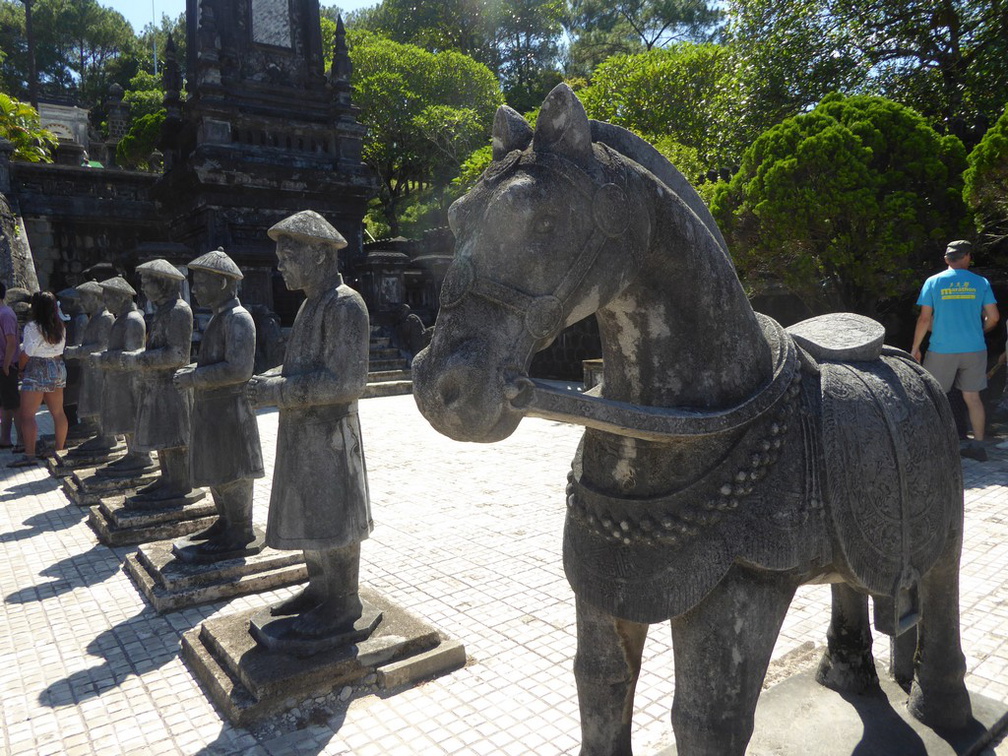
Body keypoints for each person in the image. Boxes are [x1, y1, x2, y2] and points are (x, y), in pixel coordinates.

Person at [247, 210, 372, 639]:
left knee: (333, 514)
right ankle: (321, 589)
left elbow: (346, 380)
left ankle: (344, 598)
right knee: (311, 512)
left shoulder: (345, 305)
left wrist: (278, 392)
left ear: (320, 256)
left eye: (289, 254)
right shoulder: (311, 305)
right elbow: (302, 363)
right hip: (304, 431)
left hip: (331, 435)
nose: (280, 263)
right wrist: (270, 378)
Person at [173, 248, 264, 558]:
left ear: (224, 283)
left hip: (231, 410)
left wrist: (196, 378)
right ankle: (226, 521)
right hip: (213, 408)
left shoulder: (238, 318)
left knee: (233, 471)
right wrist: (195, 372)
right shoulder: (219, 317)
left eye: (201, 282)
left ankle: (240, 527)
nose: (195, 289)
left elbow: (239, 369)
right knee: (217, 469)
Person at [912, 239, 999, 460]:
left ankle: (934, 447)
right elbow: (994, 318)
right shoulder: (981, 282)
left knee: (934, 397)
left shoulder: (933, 282)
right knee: (973, 398)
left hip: (942, 349)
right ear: (967, 256)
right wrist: (979, 330)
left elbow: (924, 319)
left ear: (946, 259)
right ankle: (978, 447)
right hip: (974, 348)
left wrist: (916, 347)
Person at [9, 291, 67, 467]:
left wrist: (20, 368)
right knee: (58, 412)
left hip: (37, 369)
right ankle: (59, 451)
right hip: (57, 367)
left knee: (27, 415)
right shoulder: (60, 325)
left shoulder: (33, 327)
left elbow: (27, 353)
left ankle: (29, 455)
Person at [0, 282, 22, 450]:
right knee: (6, 404)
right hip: (3, 365)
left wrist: (7, 366)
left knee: (14, 405)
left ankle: (22, 441)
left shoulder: (6, 314)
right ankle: (5, 439)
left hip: (5, 365)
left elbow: (12, 342)